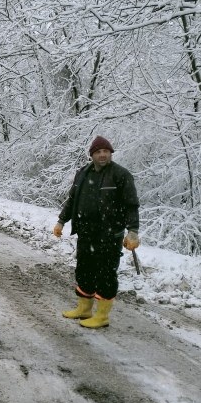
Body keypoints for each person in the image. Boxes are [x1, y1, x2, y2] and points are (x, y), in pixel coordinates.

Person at [53, 135, 140, 328]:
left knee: (106, 274)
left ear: (111, 153)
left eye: (106, 151)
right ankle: (84, 309)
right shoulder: (83, 173)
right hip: (86, 233)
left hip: (109, 235)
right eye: (98, 152)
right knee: (84, 270)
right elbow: (72, 199)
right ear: (92, 154)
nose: (102, 155)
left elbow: (131, 205)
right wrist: (61, 221)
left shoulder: (120, 174)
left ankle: (102, 316)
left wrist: (132, 231)